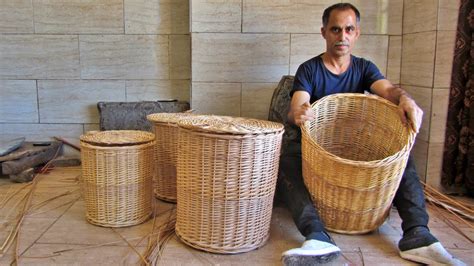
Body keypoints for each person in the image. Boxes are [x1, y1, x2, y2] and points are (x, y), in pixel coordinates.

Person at [279, 3, 465, 266]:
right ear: (324, 32)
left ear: (357, 33)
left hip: (354, 148)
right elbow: (297, 105)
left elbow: (389, 91)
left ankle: (417, 236)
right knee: (286, 161)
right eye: (335, 29)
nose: (341, 36)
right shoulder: (309, 69)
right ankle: (317, 235)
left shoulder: (364, 68)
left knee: (402, 158)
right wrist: (299, 113)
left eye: (348, 29)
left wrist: (405, 100)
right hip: (315, 150)